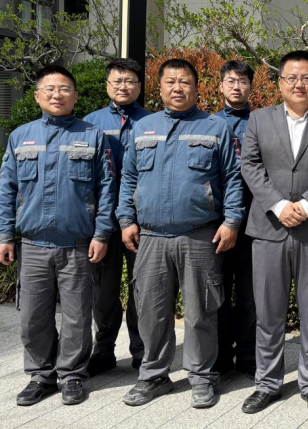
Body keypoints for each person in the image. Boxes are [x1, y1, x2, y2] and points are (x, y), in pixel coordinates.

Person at [117, 59, 244, 409]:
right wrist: (126, 219)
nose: (178, 88)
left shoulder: (216, 127)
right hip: (151, 237)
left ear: (197, 88)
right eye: (170, 81)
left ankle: (202, 376)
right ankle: (154, 376)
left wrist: (232, 221)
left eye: (185, 82)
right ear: (159, 88)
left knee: (201, 311)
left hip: (199, 235)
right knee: (151, 311)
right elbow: (129, 177)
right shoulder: (143, 128)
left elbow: (233, 178)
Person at [0, 65, 117, 406]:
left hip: (78, 245)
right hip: (33, 245)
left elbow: (107, 189)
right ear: (37, 96)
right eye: (49, 89)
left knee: (78, 316)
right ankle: (41, 376)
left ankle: (73, 375)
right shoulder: (21, 136)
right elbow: (7, 188)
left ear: (75, 96)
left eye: (64, 89)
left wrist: (102, 233)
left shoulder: (93, 136)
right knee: (32, 317)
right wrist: (4, 234)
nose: (57, 94)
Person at [240, 50, 308, 415]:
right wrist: (278, 205)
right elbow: (250, 166)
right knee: (268, 312)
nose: (299, 84)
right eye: (292, 78)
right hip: (269, 229)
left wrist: (306, 205)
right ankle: (267, 383)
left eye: (306, 78)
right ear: (280, 83)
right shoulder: (259, 119)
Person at [83, 58, 151, 377]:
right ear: (107, 85)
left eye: (130, 81)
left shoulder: (152, 122)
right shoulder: (90, 123)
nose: (123, 86)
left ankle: (142, 351)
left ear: (139, 86)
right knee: (103, 290)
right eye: (117, 81)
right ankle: (104, 350)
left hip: (144, 220)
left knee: (142, 288)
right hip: (102, 222)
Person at [213, 60, 257, 379]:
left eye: (242, 81)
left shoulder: (263, 122)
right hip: (217, 220)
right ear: (220, 86)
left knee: (249, 293)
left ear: (251, 87)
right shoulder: (209, 123)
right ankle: (219, 356)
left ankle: (248, 355)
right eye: (231, 81)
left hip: (255, 219)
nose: (237, 86)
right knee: (217, 290)